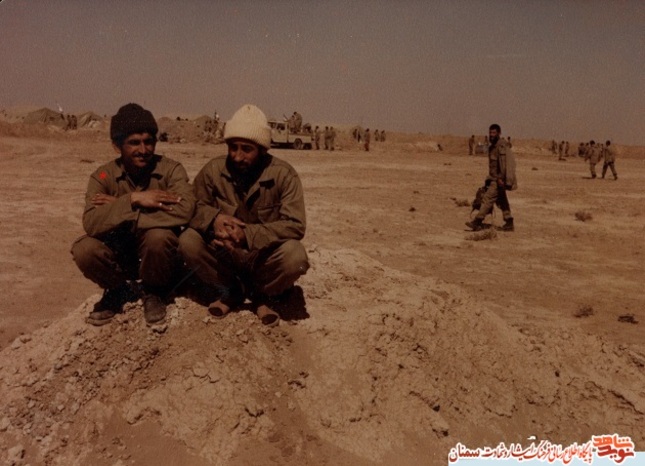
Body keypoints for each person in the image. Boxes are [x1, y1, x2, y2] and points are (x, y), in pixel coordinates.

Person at [178, 104, 309, 327]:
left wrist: (247, 235)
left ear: (262, 150)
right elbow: (190, 206)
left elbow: (295, 224)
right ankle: (231, 291)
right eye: (233, 147)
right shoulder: (213, 170)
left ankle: (262, 295)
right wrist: (214, 219)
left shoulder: (284, 175)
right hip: (224, 255)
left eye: (246, 149)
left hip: (263, 258)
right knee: (188, 241)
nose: (238, 156)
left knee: (295, 256)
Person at [71, 103, 195, 326]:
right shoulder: (102, 176)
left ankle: (154, 292)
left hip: (159, 258)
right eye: (134, 143)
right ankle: (118, 290)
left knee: (158, 236)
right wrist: (132, 199)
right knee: (84, 249)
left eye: (149, 141)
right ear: (117, 146)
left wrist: (123, 210)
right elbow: (91, 222)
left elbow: (185, 210)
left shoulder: (171, 170)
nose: (144, 150)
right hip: (122, 254)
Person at [466, 124, 517, 232]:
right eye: (490, 132)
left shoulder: (501, 146)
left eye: (494, 133)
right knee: (502, 200)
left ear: (499, 133)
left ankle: (478, 221)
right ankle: (509, 221)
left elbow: (505, 165)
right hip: (494, 178)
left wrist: (501, 179)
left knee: (487, 199)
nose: (491, 135)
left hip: (498, 180)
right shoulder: (492, 147)